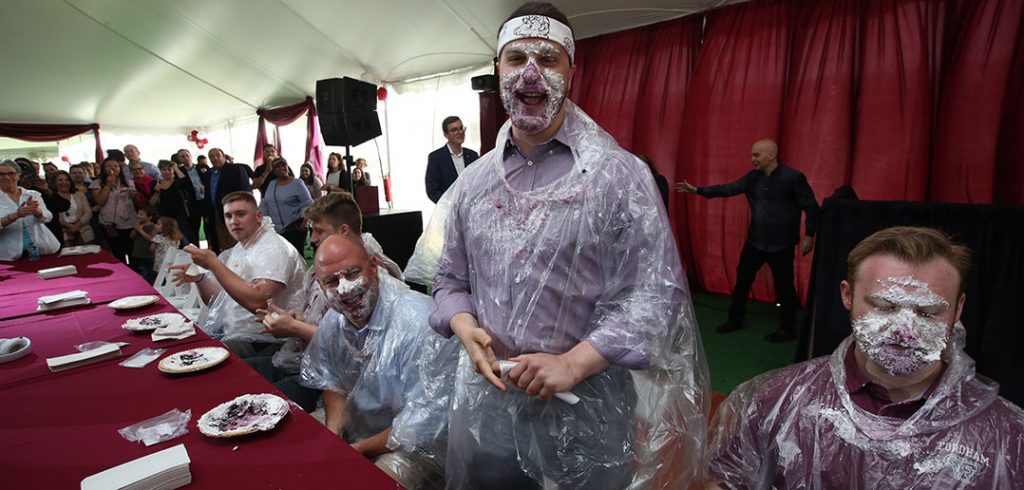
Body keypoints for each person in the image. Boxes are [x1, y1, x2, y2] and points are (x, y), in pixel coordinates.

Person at [425, 3, 709, 487]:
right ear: (497, 70)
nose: (531, 73)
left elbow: (656, 296)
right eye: (516, 58)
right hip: (488, 413)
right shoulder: (474, 183)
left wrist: (574, 363)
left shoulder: (618, 177)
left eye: (549, 59)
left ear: (572, 71)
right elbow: (450, 279)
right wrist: (463, 323)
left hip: (588, 419)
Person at [705, 226, 1024, 488]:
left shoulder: (1008, 436)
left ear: (958, 308)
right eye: (884, 307)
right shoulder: (775, 400)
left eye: (928, 313)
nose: (905, 331)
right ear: (847, 295)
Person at [301, 234, 459, 488]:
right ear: (320, 286)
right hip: (365, 424)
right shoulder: (334, 321)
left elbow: (422, 424)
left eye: (352, 273)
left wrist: (358, 450)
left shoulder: (418, 322)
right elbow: (333, 383)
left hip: (423, 444)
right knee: (301, 442)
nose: (345, 288)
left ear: (374, 266)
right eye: (331, 281)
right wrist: (333, 434)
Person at [246, 191, 401, 412]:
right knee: (237, 376)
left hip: (340, 381)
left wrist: (296, 328)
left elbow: (362, 351)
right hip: (304, 359)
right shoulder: (322, 266)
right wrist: (295, 318)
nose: (314, 239)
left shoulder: (374, 277)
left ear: (343, 231)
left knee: (256, 406)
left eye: (319, 231)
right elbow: (317, 317)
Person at [675, 138, 819, 342]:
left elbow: (811, 206)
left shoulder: (793, 178)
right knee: (742, 280)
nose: (753, 159)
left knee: (784, 286)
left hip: (782, 244)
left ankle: (788, 329)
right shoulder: (752, 178)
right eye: (752, 155)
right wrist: (698, 190)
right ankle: (735, 319)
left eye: (757, 155)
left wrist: (809, 235)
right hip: (755, 242)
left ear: (771, 155)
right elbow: (728, 189)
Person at [170, 191, 306, 358]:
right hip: (235, 332)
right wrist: (200, 278)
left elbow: (258, 302)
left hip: (265, 340)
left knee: (197, 360)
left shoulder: (273, 249)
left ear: (258, 216)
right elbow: (217, 301)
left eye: (241, 214)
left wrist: (214, 264)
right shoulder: (240, 248)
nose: (233, 221)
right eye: (228, 216)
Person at [0, 160, 60, 260]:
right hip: (9, 255)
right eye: (1, 174)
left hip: (41, 250)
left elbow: (48, 217)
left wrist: (37, 212)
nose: (6, 177)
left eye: (11, 173)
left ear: (19, 175)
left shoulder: (33, 194)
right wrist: (14, 216)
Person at [201, 148, 253, 253]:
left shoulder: (236, 169)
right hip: (216, 211)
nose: (215, 158)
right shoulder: (208, 174)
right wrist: (207, 213)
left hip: (234, 211)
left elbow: (245, 191)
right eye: (211, 156)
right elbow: (207, 195)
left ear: (224, 156)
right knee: (222, 240)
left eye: (217, 155)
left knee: (237, 238)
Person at [91, 156, 141, 264]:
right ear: (103, 169)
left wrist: (135, 196)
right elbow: (100, 202)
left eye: (115, 166)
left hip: (129, 221)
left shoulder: (128, 182)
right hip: (110, 223)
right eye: (108, 166)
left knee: (132, 251)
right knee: (117, 252)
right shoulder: (97, 183)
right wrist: (108, 185)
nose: (112, 168)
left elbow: (137, 204)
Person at [259, 157, 313, 254]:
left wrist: (305, 221)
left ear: (287, 167)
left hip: (295, 227)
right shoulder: (271, 184)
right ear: (274, 170)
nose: (281, 168)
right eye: (277, 167)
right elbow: (266, 203)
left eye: (283, 165)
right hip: (277, 230)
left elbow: (307, 203)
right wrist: (261, 221)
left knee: (297, 256)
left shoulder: (297, 183)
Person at [424, 115, 479, 203]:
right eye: (454, 130)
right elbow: (432, 190)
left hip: (471, 210)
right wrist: (449, 205)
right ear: (446, 135)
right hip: (448, 212)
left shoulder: (473, 155)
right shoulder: (436, 157)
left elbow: (479, 183)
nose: (460, 132)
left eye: (461, 128)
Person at [151, 160, 197, 244]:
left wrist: (176, 168)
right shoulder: (156, 183)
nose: (166, 172)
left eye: (169, 169)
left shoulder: (177, 182)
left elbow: (186, 182)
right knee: (168, 238)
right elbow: (152, 203)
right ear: (160, 170)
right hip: (165, 215)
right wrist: (157, 192)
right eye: (164, 169)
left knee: (185, 236)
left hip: (179, 213)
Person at [174, 149, 209, 245]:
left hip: (206, 201)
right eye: (182, 157)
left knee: (210, 227)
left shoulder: (202, 167)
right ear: (179, 160)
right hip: (192, 204)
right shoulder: (179, 171)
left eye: (186, 155)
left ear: (190, 155)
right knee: (193, 230)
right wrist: (176, 169)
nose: (185, 158)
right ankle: (197, 252)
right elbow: (182, 184)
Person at [51, 170, 95, 246]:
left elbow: (88, 212)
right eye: (60, 180)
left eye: (67, 180)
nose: (64, 183)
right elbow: (54, 216)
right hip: (64, 233)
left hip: (83, 231)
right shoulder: (51, 197)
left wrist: (77, 225)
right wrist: (69, 226)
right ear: (55, 183)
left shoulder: (79, 194)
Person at [130, 206, 158, 283]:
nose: (138, 216)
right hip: (139, 253)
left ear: (149, 217)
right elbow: (131, 236)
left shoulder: (151, 227)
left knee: (149, 272)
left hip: (148, 254)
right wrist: (136, 229)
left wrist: (140, 230)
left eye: (141, 214)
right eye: (138, 213)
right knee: (143, 271)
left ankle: (151, 284)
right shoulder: (139, 225)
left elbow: (152, 238)